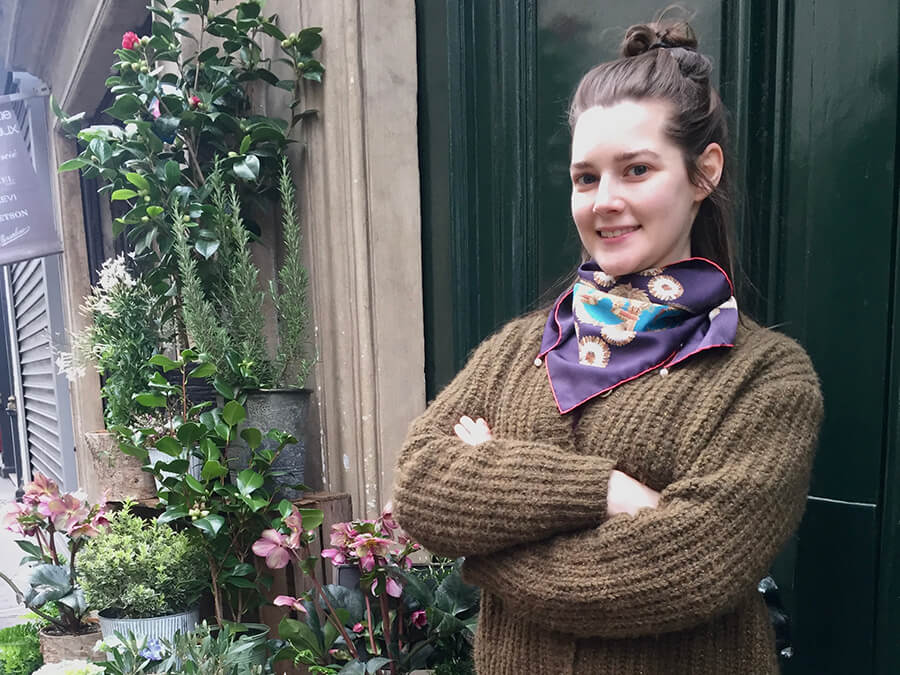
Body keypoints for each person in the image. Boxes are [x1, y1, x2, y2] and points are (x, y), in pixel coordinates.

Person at [393, 16, 823, 675]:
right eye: (586, 177)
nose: (606, 201)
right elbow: (420, 484)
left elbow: (688, 567)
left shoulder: (767, 377)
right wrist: (609, 492)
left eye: (636, 169)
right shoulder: (520, 347)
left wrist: (492, 523)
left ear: (703, 173)